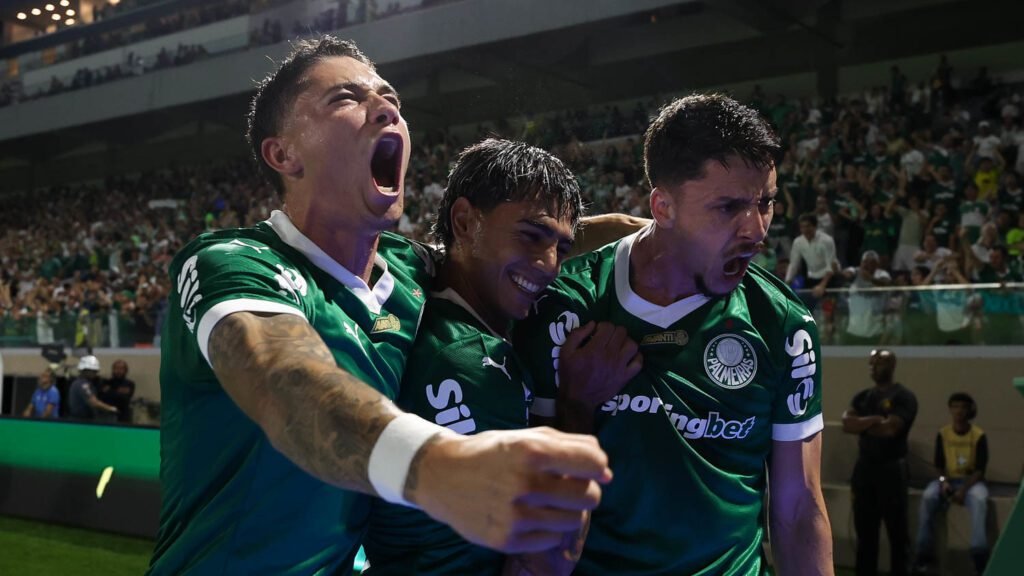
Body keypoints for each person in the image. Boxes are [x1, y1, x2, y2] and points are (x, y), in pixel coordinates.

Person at [148, 36, 610, 576]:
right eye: (347, 98)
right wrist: (439, 467)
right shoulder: (231, 262)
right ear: (284, 154)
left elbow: (509, 242)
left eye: (390, 98)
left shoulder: (408, 271)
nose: (386, 109)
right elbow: (285, 383)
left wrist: (656, 236)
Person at [515, 94, 833, 574]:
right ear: (663, 207)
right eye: (728, 207)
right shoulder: (566, 305)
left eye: (765, 203)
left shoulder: (784, 324)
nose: (757, 230)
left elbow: (799, 508)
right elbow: (533, 511)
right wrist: (575, 407)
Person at [364, 138, 629, 575]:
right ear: (464, 221)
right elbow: (547, 560)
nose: (550, 265)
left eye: (562, 249)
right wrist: (577, 406)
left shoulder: (415, 276)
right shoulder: (475, 366)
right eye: (531, 236)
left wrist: (639, 228)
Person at [842, 349, 919, 576]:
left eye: (879, 363)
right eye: (871, 363)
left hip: (892, 470)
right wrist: (875, 419)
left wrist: (862, 424)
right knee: (865, 533)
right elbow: (847, 424)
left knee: (897, 533)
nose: (874, 368)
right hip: (865, 470)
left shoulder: (904, 397)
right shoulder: (863, 397)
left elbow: (890, 430)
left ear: (892, 366)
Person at [913, 393, 990, 575]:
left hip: (971, 482)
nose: (958, 411)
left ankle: (979, 556)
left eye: (963, 407)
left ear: (969, 410)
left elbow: (980, 469)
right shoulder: (944, 433)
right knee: (928, 497)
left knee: (979, 500)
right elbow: (939, 466)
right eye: (955, 407)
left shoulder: (978, 435)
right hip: (948, 479)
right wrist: (944, 482)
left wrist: (963, 489)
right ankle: (923, 556)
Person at [67, 355, 119, 421]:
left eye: (96, 371)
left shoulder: (81, 383)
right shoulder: (83, 384)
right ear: (85, 370)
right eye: (93, 371)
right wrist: (111, 408)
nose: (95, 373)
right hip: (81, 421)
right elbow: (93, 402)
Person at [98, 359, 135, 423]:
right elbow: (103, 397)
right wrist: (118, 392)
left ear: (125, 371)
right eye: (116, 368)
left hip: (123, 416)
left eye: (121, 369)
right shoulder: (106, 382)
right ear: (113, 369)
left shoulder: (130, 384)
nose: (118, 371)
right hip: (107, 415)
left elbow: (124, 399)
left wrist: (110, 391)